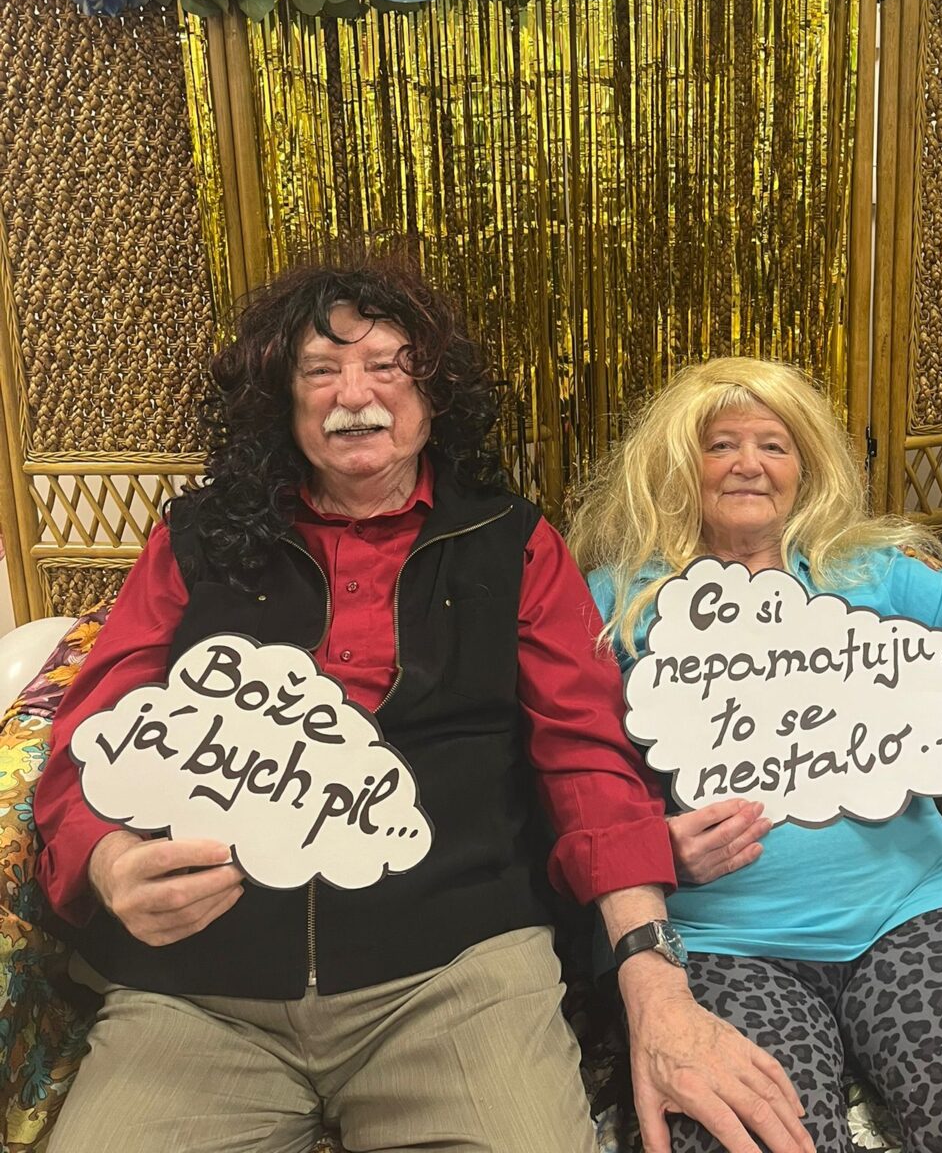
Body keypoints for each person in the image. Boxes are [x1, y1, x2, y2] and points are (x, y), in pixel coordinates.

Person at [35, 265, 813, 1153]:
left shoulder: (515, 543)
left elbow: (588, 761)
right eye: (320, 371)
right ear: (281, 401)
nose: (353, 395)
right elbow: (89, 736)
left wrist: (657, 985)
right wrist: (107, 862)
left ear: (434, 395)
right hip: (201, 990)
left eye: (386, 366)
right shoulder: (196, 540)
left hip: (459, 976)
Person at [568, 356, 942, 1153]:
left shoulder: (869, 576)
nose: (748, 464)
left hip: (920, 914)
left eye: (773, 445)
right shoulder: (614, 600)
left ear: (804, 466)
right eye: (720, 445)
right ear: (676, 465)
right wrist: (650, 849)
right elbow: (570, 773)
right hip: (717, 945)